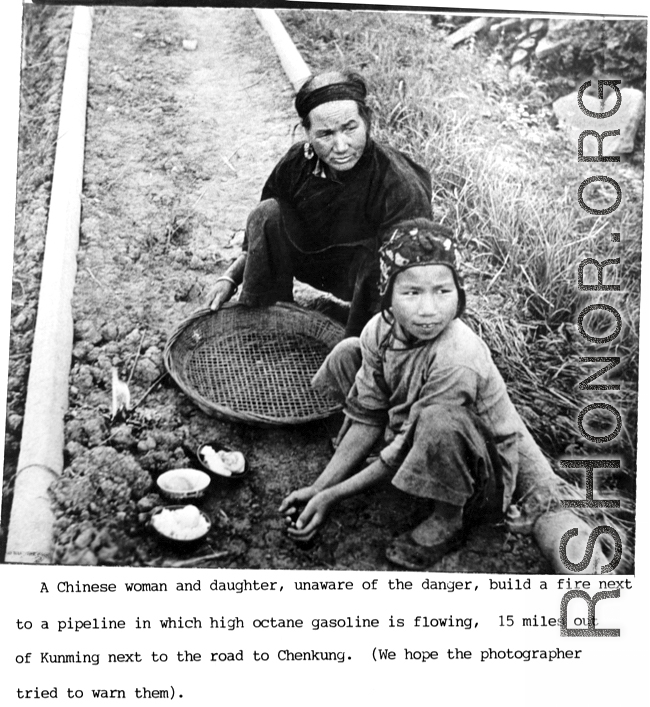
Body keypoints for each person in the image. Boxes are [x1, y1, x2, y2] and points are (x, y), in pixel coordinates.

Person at [279, 218, 555, 570]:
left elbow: (402, 448)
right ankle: (410, 482)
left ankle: (450, 518)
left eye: (443, 291)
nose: (429, 309)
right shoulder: (379, 331)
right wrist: (319, 487)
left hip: (480, 477)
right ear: (389, 296)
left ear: (459, 294)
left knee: (438, 419)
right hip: (413, 435)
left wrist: (333, 496)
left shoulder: (457, 357)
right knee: (350, 351)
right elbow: (368, 415)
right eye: (412, 293)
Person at [208, 70, 433, 336]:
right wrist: (230, 278)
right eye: (325, 134)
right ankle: (266, 321)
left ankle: (362, 340)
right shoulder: (296, 163)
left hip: (369, 277)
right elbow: (262, 234)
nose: (340, 146)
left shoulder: (399, 184)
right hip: (316, 261)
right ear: (307, 133)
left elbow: (414, 272)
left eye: (350, 128)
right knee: (267, 213)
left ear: (367, 121)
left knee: (382, 264)